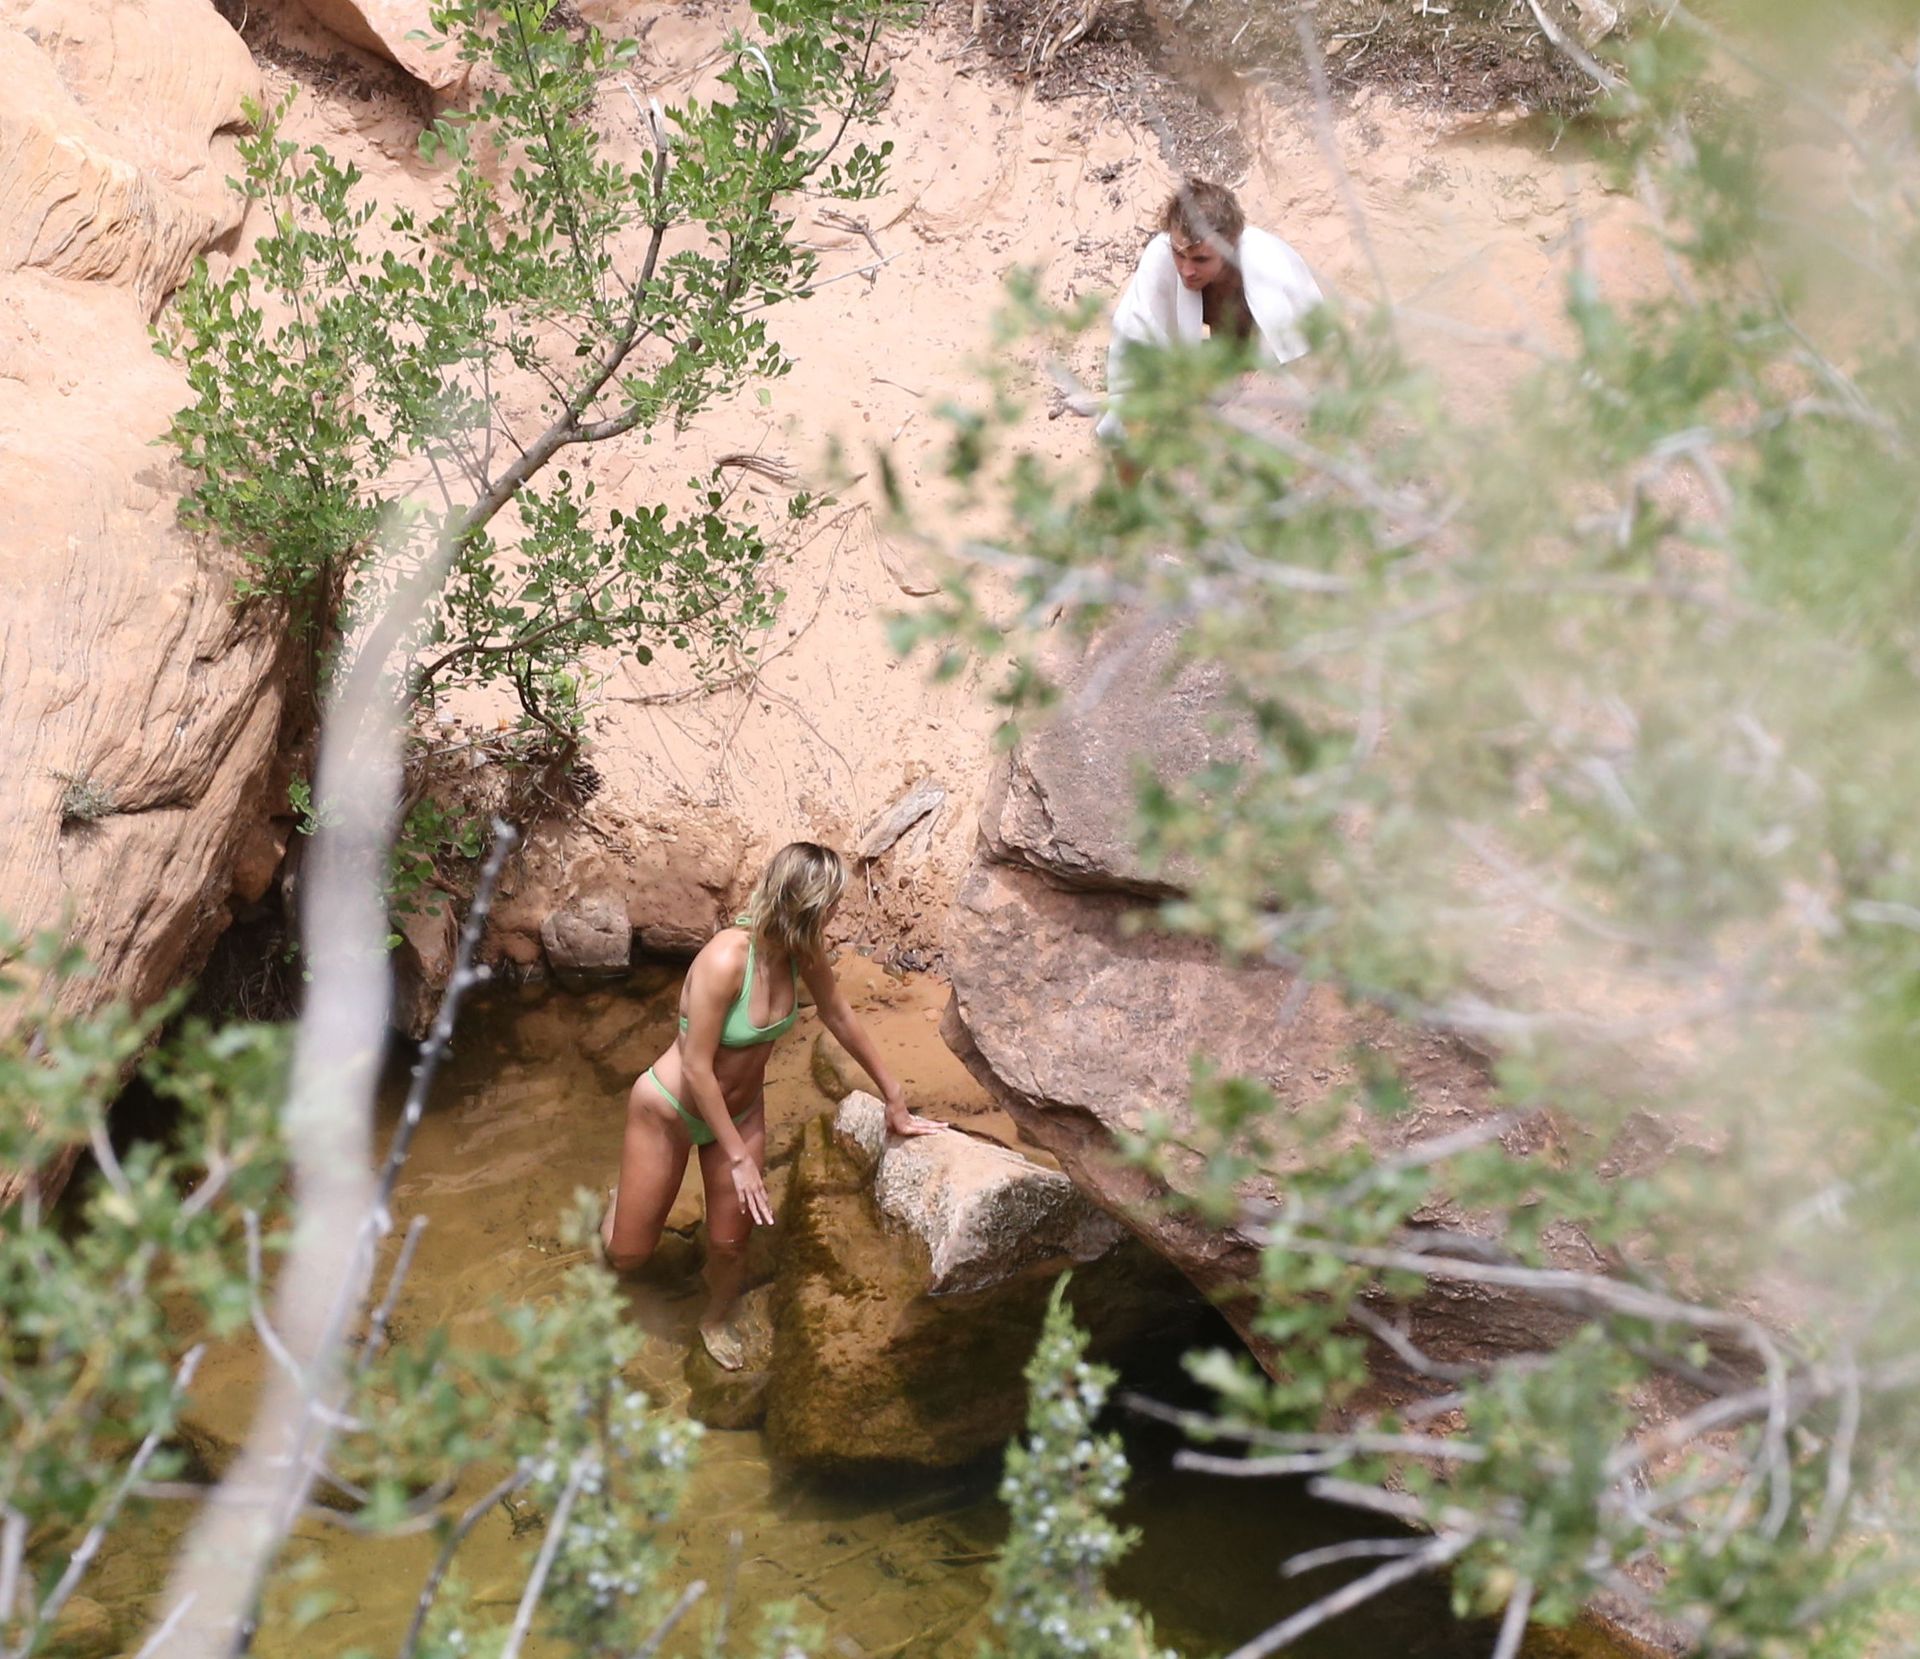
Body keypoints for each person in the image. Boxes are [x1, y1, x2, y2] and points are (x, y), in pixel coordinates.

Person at [600, 841, 945, 1368]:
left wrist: (893, 1096)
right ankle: (616, 1208)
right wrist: (739, 1158)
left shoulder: (803, 949)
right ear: (805, 905)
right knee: (627, 1257)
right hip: (668, 1110)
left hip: (738, 1113)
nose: (836, 914)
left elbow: (838, 1014)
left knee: (732, 1244)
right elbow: (696, 1067)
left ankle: (715, 1315)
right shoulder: (724, 959)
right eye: (831, 905)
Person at [1095, 177, 1325, 447]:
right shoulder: (1161, 258)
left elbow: (1299, 351)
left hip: (1270, 375)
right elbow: (1134, 338)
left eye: (1201, 259)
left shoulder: (1265, 264)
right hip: (1212, 368)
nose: (1186, 270)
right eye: (1179, 255)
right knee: (1131, 419)